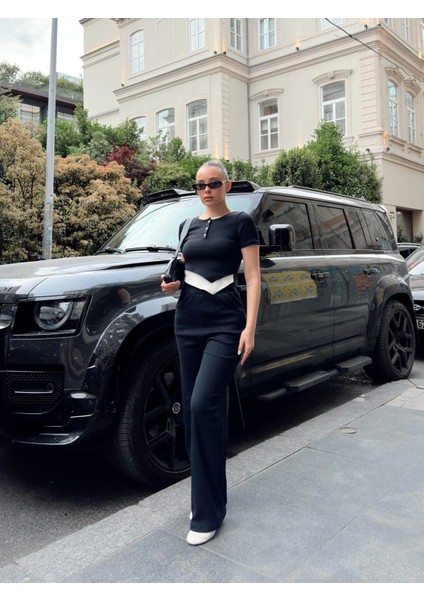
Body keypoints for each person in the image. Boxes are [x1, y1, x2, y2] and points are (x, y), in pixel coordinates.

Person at [161, 159, 261, 546]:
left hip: (226, 323)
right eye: (200, 184)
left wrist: (250, 327)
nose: (206, 190)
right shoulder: (187, 226)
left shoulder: (241, 223)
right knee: (194, 413)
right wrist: (172, 285)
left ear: (227, 186)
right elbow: (188, 270)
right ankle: (206, 499)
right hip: (187, 320)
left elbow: (252, 276)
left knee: (203, 404)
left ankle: (207, 515)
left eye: (214, 183)